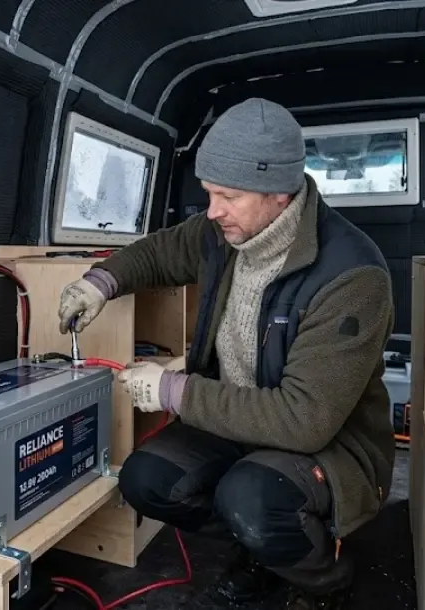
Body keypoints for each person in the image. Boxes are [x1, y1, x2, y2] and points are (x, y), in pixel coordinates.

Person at [57, 98, 395, 610]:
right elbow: (157, 252)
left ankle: (324, 580)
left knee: (253, 501)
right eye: (209, 193)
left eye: (228, 196)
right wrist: (99, 282)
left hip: (325, 445)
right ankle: (261, 551)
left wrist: (173, 389)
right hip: (235, 418)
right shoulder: (222, 232)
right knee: (146, 481)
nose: (213, 210)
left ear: (281, 193)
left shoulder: (351, 277)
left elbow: (304, 421)